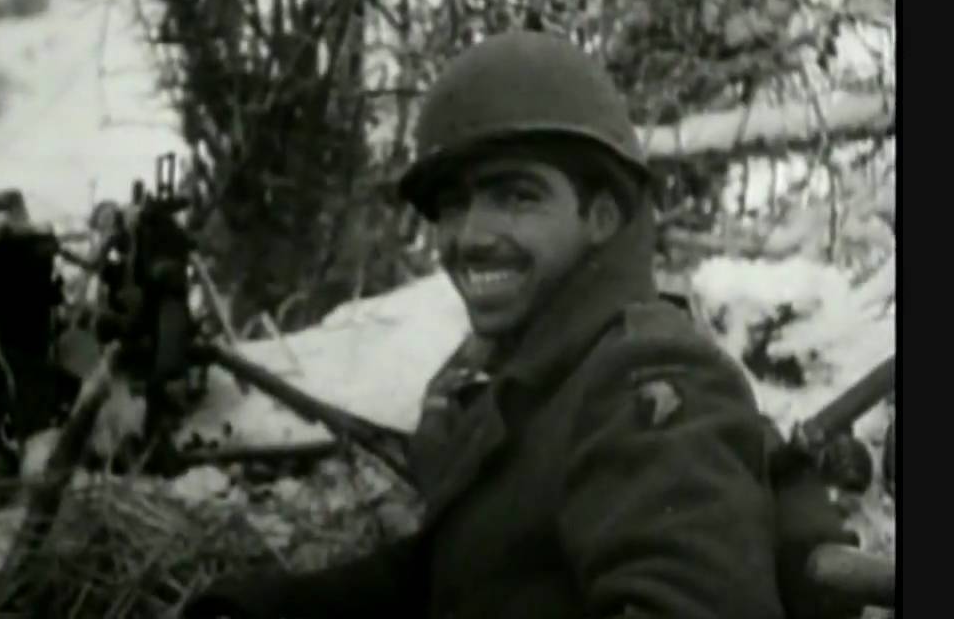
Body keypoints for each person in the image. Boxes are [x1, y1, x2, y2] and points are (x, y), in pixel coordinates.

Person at [185, 30, 858, 619]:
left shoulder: (644, 380)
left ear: (601, 218)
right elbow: (463, 575)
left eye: (517, 197)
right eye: (453, 204)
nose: (471, 236)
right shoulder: (538, 379)